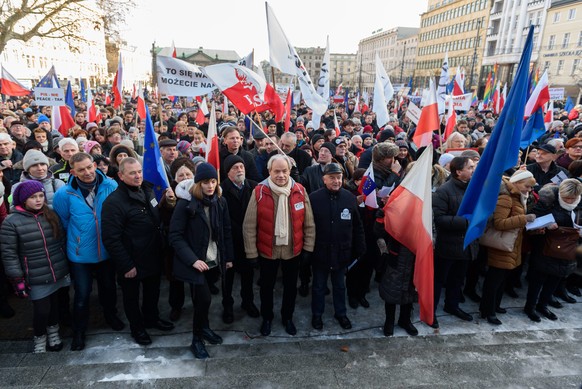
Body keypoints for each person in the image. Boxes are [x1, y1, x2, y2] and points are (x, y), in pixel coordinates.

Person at [53, 152, 123, 350]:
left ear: (95, 165)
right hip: (80, 254)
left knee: (108, 289)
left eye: (89, 167)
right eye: (81, 170)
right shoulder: (63, 194)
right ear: (73, 172)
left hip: (107, 251)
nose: (87, 172)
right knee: (82, 295)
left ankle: (111, 316)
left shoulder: (111, 185)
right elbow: (64, 222)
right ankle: (79, 331)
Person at [101, 157, 175, 346]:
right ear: (121, 175)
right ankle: (138, 328)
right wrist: (126, 265)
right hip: (132, 260)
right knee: (131, 297)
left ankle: (152, 318)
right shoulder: (113, 202)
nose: (137, 176)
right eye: (132, 173)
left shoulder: (147, 190)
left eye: (139, 171)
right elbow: (111, 238)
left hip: (152, 254)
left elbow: (155, 216)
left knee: (153, 291)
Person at [243, 154, 315, 336]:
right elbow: (249, 225)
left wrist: (308, 248)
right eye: (277, 171)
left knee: (291, 287)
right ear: (269, 172)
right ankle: (267, 318)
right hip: (268, 251)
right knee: (266, 288)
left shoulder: (299, 190)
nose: (281, 175)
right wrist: (251, 253)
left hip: (293, 250)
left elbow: (309, 223)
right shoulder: (259, 191)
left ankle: (287, 317)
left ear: (290, 171)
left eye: (284, 171)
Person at [169, 163, 233, 359]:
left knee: (203, 300)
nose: (210, 186)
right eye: (206, 182)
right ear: (198, 184)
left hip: (214, 258)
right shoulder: (186, 205)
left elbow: (226, 231)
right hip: (195, 260)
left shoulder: (220, 202)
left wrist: (228, 257)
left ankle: (204, 328)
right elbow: (175, 236)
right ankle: (196, 339)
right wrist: (193, 260)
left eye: (213, 181)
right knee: (203, 299)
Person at [1, 181, 70, 353]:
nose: (38, 200)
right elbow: (9, 254)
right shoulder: (12, 222)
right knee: (41, 310)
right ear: (23, 200)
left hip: (57, 270)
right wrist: (17, 278)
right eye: (33, 197)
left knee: (54, 306)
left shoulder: (51, 214)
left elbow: (61, 240)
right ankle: (40, 337)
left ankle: (54, 334)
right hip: (34, 274)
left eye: (40, 196)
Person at [309, 163, 365, 331]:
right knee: (319, 286)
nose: (336, 181)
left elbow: (357, 225)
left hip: (342, 252)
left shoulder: (349, 198)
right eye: (332, 178)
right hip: (320, 252)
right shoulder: (313, 199)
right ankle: (317, 315)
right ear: (324, 179)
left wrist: (360, 246)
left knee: (340, 285)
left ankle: (341, 313)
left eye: (339, 177)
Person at [479, 170, 536, 325]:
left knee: (501, 279)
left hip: (511, 244)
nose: (529, 190)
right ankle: (487, 311)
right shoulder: (506, 198)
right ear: (516, 183)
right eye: (527, 186)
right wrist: (524, 219)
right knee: (494, 280)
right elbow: (499, 223)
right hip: (501, 245)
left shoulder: (519, 196)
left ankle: (494, 306)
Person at [524, 179, 582, 322]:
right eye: (566, 198)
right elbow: (532, 219)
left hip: (568, 248)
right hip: (546, 246)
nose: (569, 201)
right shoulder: (548, 200)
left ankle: (543, 304)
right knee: (538, 279)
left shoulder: (579, 204)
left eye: (572, 199)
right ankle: (530, 306)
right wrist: (547, 224)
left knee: (556, 277)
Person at [432, 156, 479, 328]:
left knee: (458, 280)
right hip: (448, 246)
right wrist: (467, 222)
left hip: (466, 245)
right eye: (470, 167)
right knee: (438, 280)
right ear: (459, 172)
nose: (474, 170)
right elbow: (440, 219)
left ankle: (452, 306)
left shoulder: (473, 189)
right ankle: (430, 312)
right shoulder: (444, 191)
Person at [219, 155, 260, 323]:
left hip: (249, 240)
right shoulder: (221, 189)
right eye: (235, 168)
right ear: (228, 172)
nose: (239, 170)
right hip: (229, 241)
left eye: (241, 167)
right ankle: (227, 306)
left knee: (248, 275)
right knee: (228, 278)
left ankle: (247, 302)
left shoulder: (254, 187)